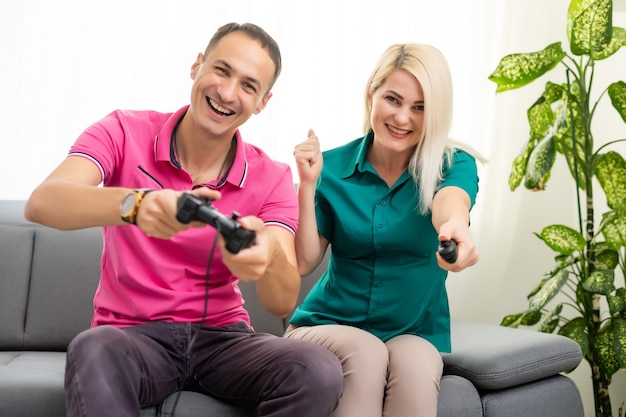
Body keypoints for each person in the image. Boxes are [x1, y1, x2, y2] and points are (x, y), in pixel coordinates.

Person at [24, 22, 344, 417]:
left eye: (248, 85)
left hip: (224, 341)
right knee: (94, 348)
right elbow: (43, 203)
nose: (227, 93)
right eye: (222, 71)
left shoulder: (273, 176)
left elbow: (280, 300)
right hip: (133, 338)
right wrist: (138, 206)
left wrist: (268, 259)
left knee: (317, 369)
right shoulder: (123, 130)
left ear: (262, 102)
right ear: (197, 65)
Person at [284, 42, 481, 417]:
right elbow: (305, 261)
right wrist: (307, 186)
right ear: (370, 95)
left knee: (419, 370)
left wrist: (455, 226)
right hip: (326, 325)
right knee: (366, 350)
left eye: (420, 108)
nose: (403, 117)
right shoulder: (333, 168)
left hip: (414, 330)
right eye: (393, 99)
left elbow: (451, 202)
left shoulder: (452, 164)